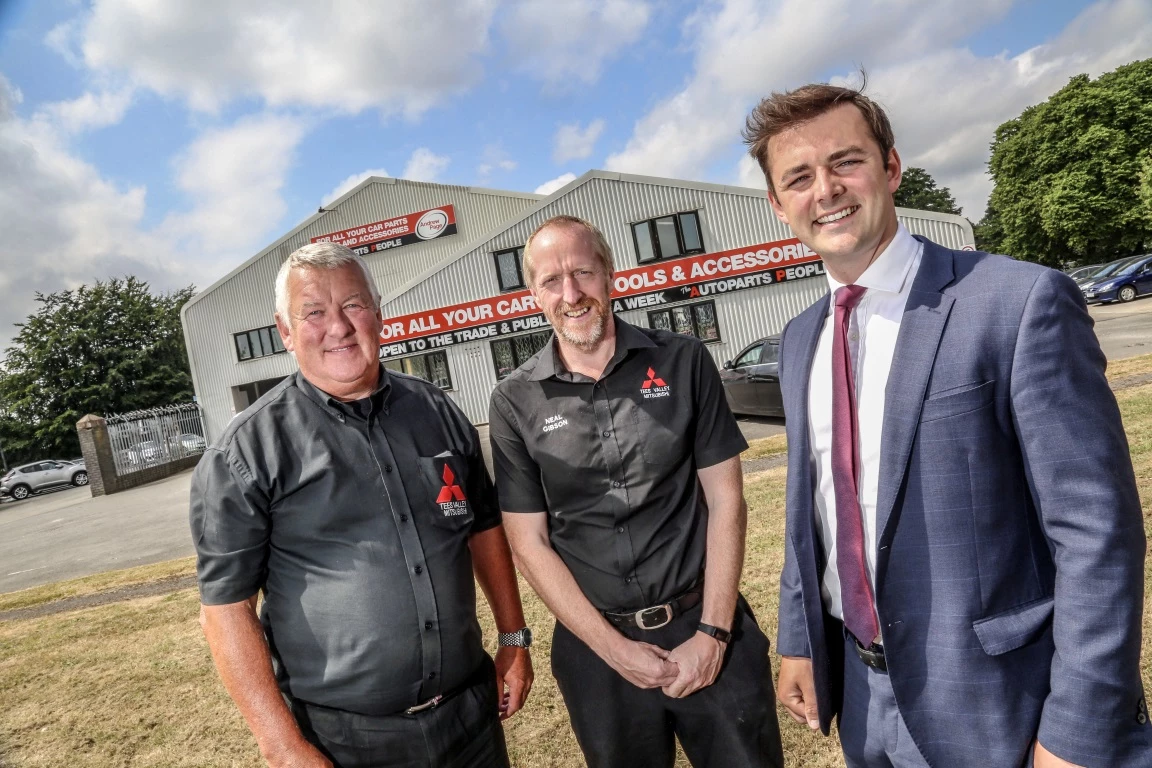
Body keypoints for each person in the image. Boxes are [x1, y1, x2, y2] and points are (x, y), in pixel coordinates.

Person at [743, 82, 1149, 767]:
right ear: (779, 205)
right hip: (865, 702)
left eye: (846, 162)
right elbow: (811, 515)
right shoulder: (801, 338)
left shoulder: (1016, 303)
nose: (828, 190)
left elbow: (1098, 534)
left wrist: (1078, 728)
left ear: (891, 168)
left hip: (1005, 701)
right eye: (800, 178)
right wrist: (799, 640)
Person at [190, 242, 533, 768]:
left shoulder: (437, 411)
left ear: (378, 313)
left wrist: (513, 635)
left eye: (352, 305)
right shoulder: (246, 451)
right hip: (345, 742)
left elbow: (483, 528)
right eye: (314, 312)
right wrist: (282, 746)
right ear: (285, 331)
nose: (338, 327)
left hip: (471, 717)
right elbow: (226, 609)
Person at [489, 215, 784, 768]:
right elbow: (528, 543)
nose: (570, 293)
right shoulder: (514, 400)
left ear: (610, 275)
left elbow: (726, 501)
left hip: (706, 625)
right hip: (599, 654)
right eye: (551, 281)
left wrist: (714, 633)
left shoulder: (683, 359)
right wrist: (614, 650)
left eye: (582, 272)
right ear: (533, 294)